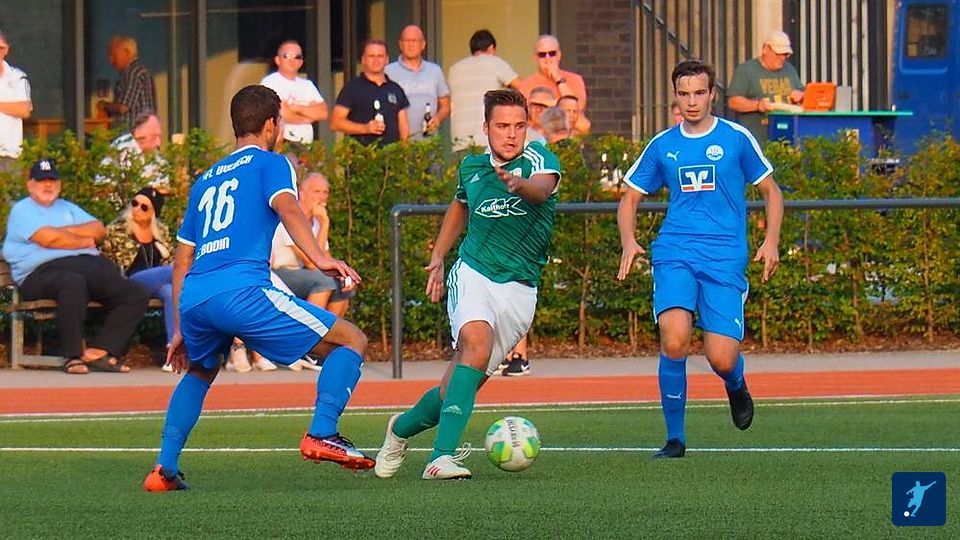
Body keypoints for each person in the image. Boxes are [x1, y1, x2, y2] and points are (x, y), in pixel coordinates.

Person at [143, 85, 371, 492]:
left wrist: (179, 327)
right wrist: (320, 258)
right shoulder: (272, 162)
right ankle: (323, 432)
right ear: (271, 123)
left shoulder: (204, 180)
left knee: (200, 369)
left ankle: (164, 468)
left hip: (196, 297)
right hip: (242, 291)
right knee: (351, 339)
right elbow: (288, 207)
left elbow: (182, 260)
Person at [373, 88, 561, 480]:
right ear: (486, 128)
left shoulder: (539, 159)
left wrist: (519, 184)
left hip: (520, 290)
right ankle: (441, 458)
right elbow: (460, 206)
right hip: (473, 272)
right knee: (476, 344)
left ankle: (399, 429)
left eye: (519, 126)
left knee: (452, 392)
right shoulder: (472, 168)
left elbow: (542, 189)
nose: (511, 134)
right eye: (502, 126)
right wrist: (439, 254)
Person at [617, 60, 783, 458]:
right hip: (675, 251)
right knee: (674, 340)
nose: (691, 101)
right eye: (684, 93)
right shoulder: (663, 145)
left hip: (725, 257)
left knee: (720, 357)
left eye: (699, 93)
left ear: (712, 95)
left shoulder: (736, 138)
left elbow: (772, 192)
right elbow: (630, 198)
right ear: (675, 96)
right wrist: (629, 241)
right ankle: (675, 439)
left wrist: (771, 241)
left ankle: (735, 384)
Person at [2, 158, 151, 374]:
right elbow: (48, 239)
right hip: (38, 274)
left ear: (59, 184)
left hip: (86, 268)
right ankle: (72, 357)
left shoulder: (68, 208)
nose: (48, 185)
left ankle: (100, 351)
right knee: (72, 282)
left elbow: (98, 230)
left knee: (135, 293)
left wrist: (61, 233)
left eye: (52, 180)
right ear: (30, 185)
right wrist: (83, 240)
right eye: (42, 181)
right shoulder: (23, 210)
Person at [100, 186, 176, 371]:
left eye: (144, 207)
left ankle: (172, 352)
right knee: (178, 270)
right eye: (134, 203)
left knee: (170, 292)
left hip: (158, 283)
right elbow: (106, 259)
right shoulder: (118, 229)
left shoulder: (162, 232)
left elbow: (169, 259)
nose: (137, 209)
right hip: (129, 282)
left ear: (153, 212)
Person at [272, 172, 355, 319]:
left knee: (343, 287)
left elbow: (326, 259)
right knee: (324, 282)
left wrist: (343, 274)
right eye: (317, 191)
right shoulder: (291, 218)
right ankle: (310, 329)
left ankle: (328, 333)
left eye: (325, 192)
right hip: (279, 272)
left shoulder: (316, 222)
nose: (322, 197)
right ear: (302, 193)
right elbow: (311, 263)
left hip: (303, 273)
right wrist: (325, 224)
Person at [448, 29, 521, 151]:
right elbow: (521, 87)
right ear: (491, 48)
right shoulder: (495, 63)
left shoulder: (454, 69)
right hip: (487, 138)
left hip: (459, 139)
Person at [727, 30, 804, 144]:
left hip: (787, 136)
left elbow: (803, 95)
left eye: (785, 55)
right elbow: (733, 102)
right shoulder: (746, 70)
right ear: (765, 49)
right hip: (758, 137)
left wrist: (801, 96)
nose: (782, 58)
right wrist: (758, 105)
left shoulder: (789, 69)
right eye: (778, 54)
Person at [330, 38, 409, 145]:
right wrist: (365, 128)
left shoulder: (396, 89)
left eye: (380, 56)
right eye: (371, 56)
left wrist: (405, 150)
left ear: (387, 60)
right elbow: (335, 123)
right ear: (363, 60)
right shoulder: (352, 88)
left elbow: (404, 129)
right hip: (361, 154)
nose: (376, 60)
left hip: (392, 154)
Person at [385, 25, 450, 139]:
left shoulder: (435, 71)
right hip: (398, 142)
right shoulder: (388, 71)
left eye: (414, 40)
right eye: (407, 41)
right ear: (400, 44)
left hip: (428, 141)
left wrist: (437, 119)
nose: (411, 44)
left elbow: (446, 106)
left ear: (423, 44)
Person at [518, 35, 591, 135]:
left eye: (552, 53)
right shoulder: (526, 84)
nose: (547, 58)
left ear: (559, 55)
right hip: (539, 136)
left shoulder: (575, 79)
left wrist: (558, 79)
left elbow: (578, 106)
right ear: (535, 58)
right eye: (542, 55)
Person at [260, 40, 328, 144]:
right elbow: (281, 113)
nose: (292, 60)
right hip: (283, 143)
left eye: (297, 57)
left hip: (306, 145)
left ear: (301, 62)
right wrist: (307, 117)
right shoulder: (270, 82)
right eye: (287, 56)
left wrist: (295, 107)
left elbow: (323, 113)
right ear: (277, 60)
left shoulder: (307, 85)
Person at [97, 112, 170, 192]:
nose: (158, 143)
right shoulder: (122, 149)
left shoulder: (155, 155)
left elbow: (163, 184)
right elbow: (106, 187)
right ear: (140, 135)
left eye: (159, 137)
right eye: (154, 137)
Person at [98, 36, 157, 130]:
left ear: (127, 52)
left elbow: (123, 107)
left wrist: (104, 106)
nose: (111, 61)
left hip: (133, 133)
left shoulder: (132, 73)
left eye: (114, 55)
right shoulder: (139, 71)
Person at [0, 30, 32, 175]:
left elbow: (24, 110)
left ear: (7, 50)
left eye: (1, 48)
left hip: (10, 153)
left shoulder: (18, 77)